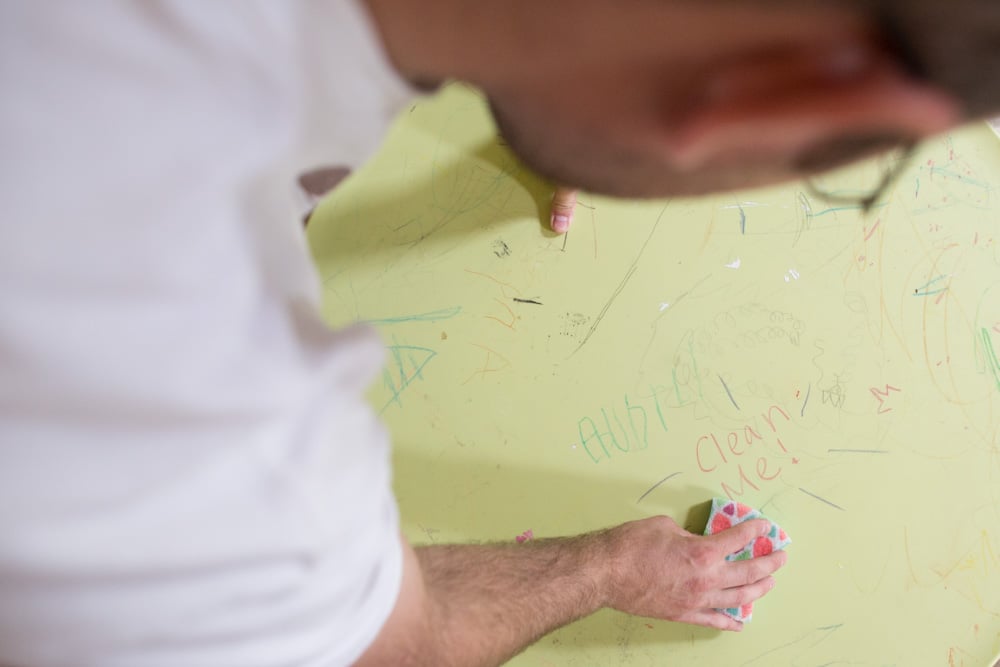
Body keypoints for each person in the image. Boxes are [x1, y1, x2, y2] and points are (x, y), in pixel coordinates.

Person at [0, 1, 996, 666]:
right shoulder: (147, 366)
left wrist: (562, 82)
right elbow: (390, 643)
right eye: (854, 168)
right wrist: (611, 567)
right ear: (779, 99)